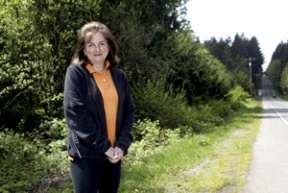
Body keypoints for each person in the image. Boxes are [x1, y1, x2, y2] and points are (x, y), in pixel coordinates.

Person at [63, 21, 135, 193]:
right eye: (91, 44)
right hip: (85, 156)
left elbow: (128, 112)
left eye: (102, 43)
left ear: (110, 47)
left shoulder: (119, 76)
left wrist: (121, 146)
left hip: (114, 156)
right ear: (83, 49)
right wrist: (105, 147)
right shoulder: (76, 73)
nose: (97, 49)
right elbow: (76, 114)